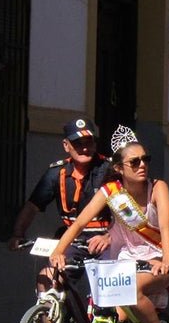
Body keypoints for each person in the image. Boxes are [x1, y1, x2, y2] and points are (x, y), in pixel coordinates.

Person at [50, 125, 169, 323]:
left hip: (155, 258)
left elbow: (166, 226)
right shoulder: (111, 192)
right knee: (112, 322)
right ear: (119, 168)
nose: (142, 165)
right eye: (135, 161)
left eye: (145, 160)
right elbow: (79, 223)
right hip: (122, 260)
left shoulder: (158, 187)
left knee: (133, 289)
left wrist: (167, 260)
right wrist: (58, 251)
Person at [9, 117, 113, 288]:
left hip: (105, 241)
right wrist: (18, 234)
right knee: (47, 279)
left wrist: (110, 237)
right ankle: (55, 313)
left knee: (110, 289)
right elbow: (32, 206)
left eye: (89, 142)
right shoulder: (57, 173)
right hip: (73, 241)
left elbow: (130, 211)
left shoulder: (109, 170)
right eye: (78, 143)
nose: (85, 148)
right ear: (66, 146)